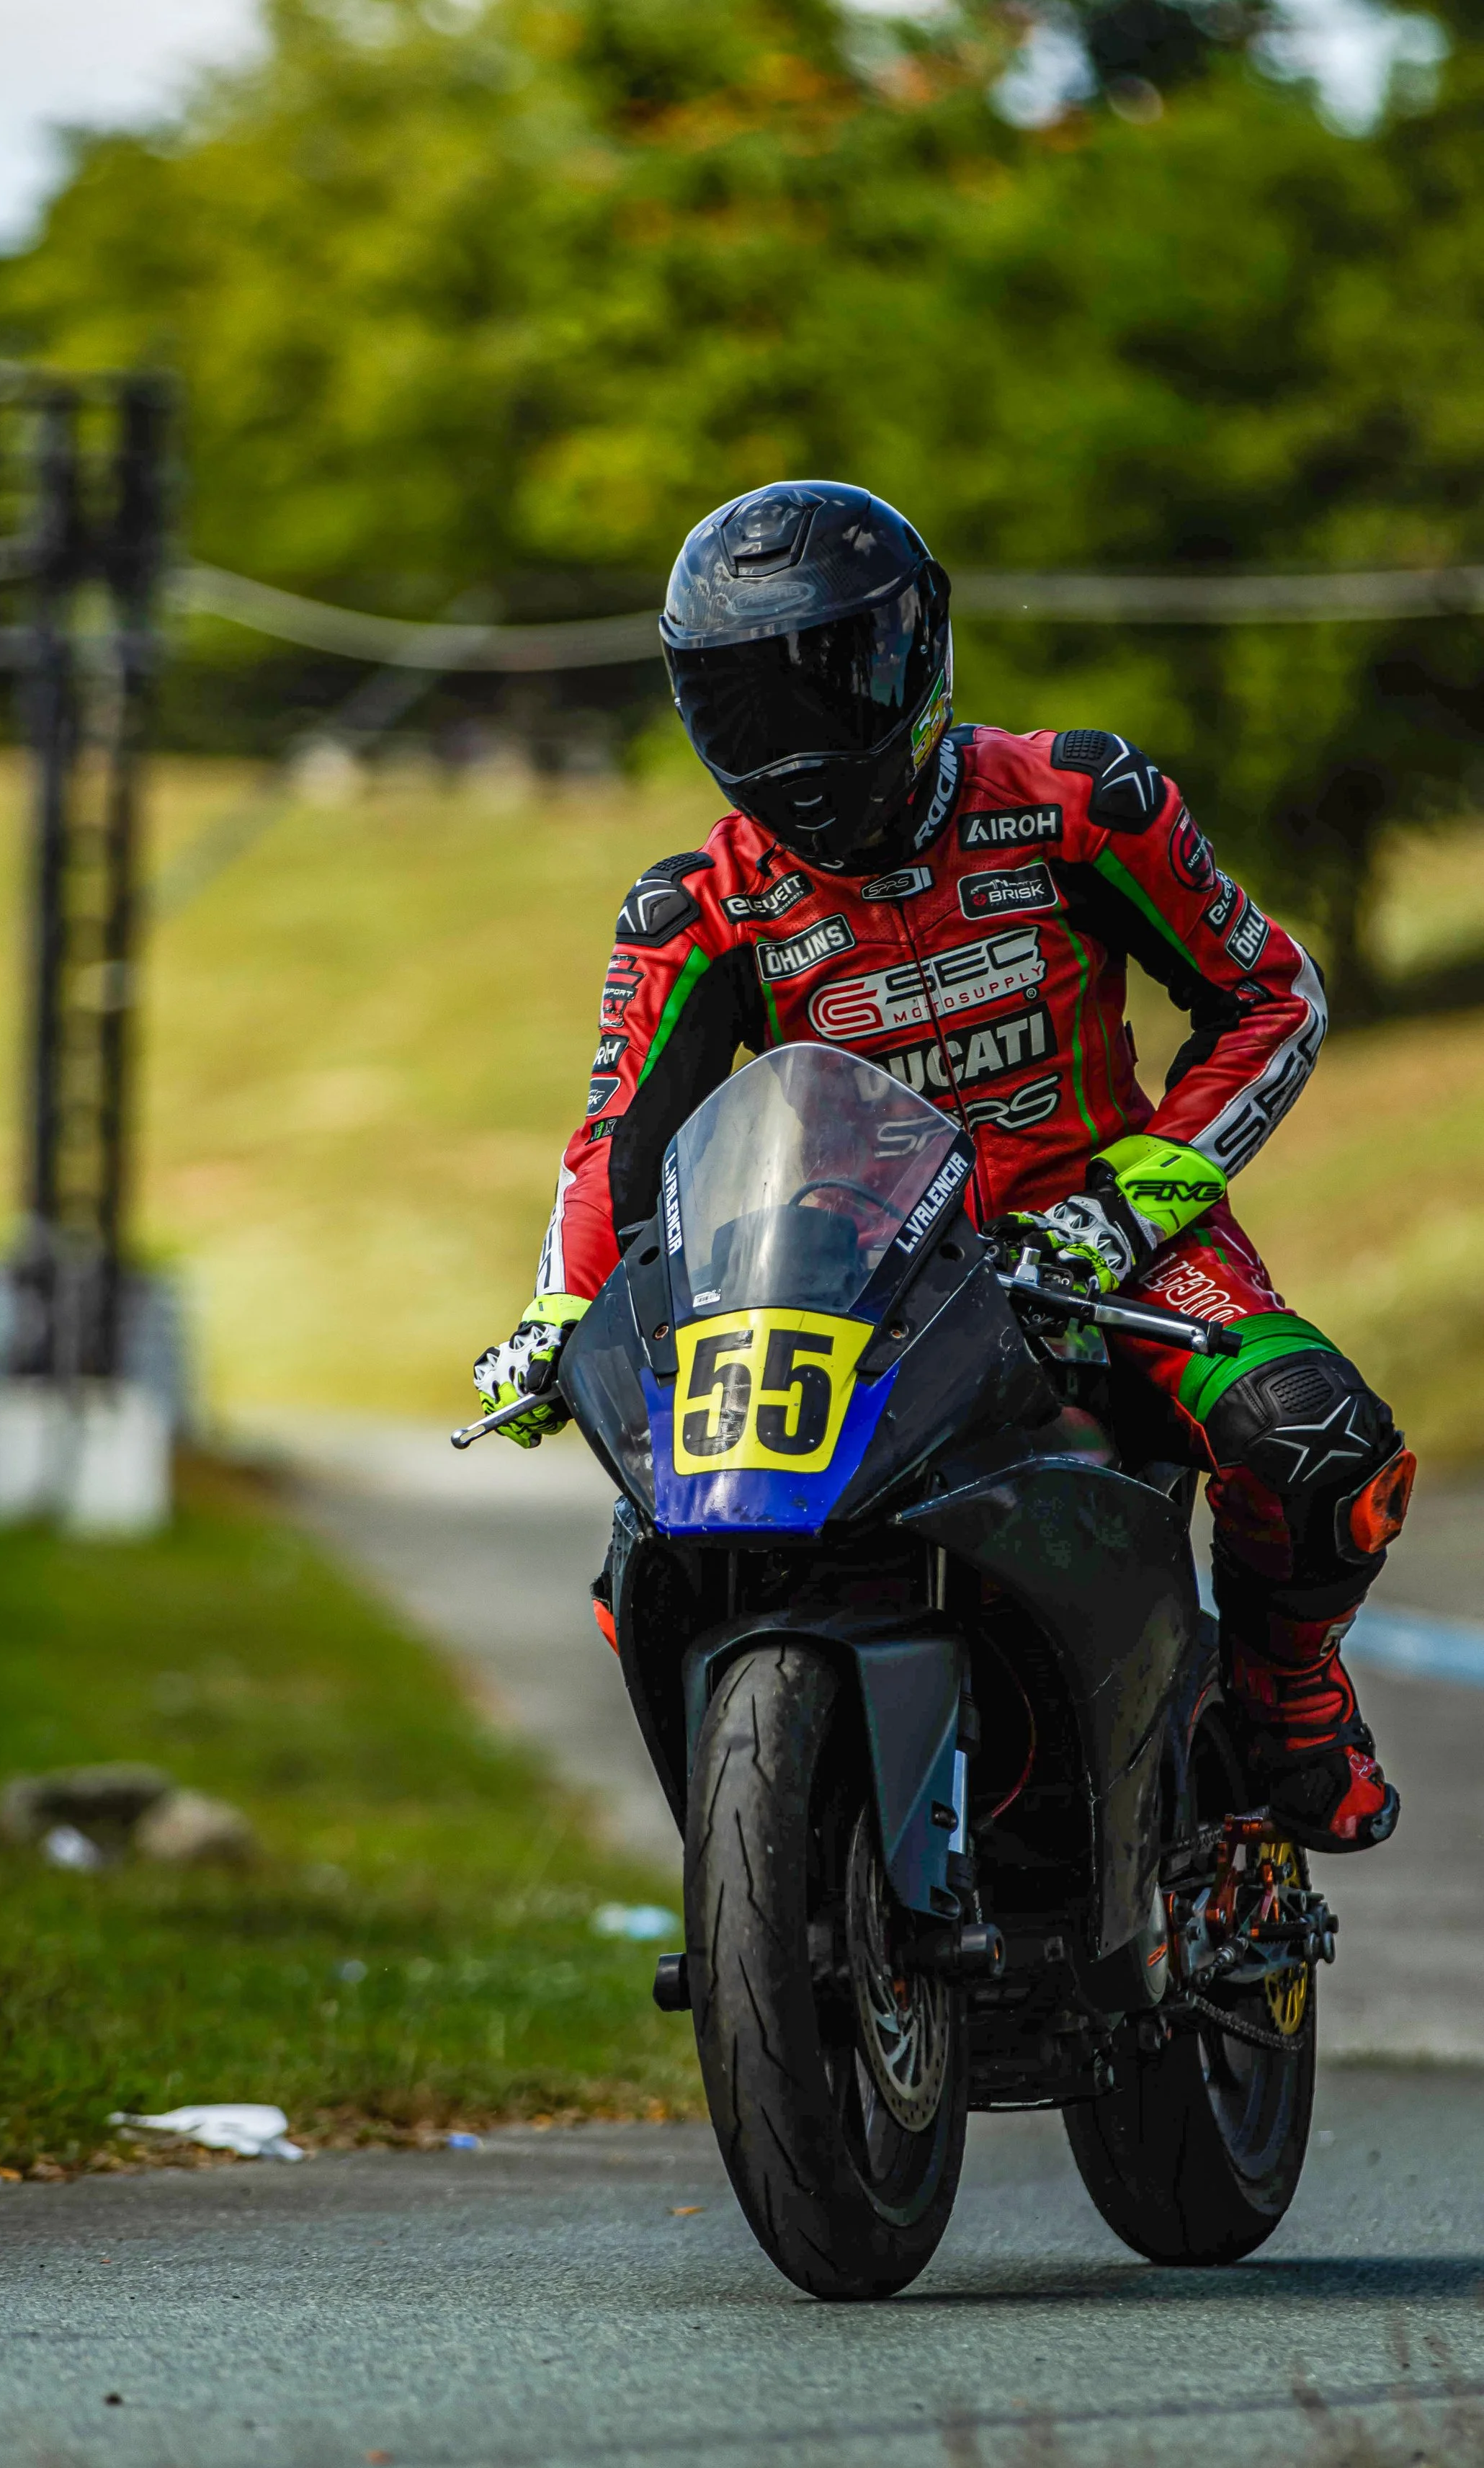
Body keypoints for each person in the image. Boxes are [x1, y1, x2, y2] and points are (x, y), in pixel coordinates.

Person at [473, 481, 1413, 1854]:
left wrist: (1125, 1204)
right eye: (744, 703)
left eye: (828, 679)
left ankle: (1294, 1705)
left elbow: (1273, 998)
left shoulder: (1084, 800)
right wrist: (561, 1309)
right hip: (853, 1287)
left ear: (919, 650)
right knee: (655, 1549)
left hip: (1113, 1248)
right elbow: (616, 1140)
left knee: (1316, 1443)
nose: (792, 742)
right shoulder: (698, 909)